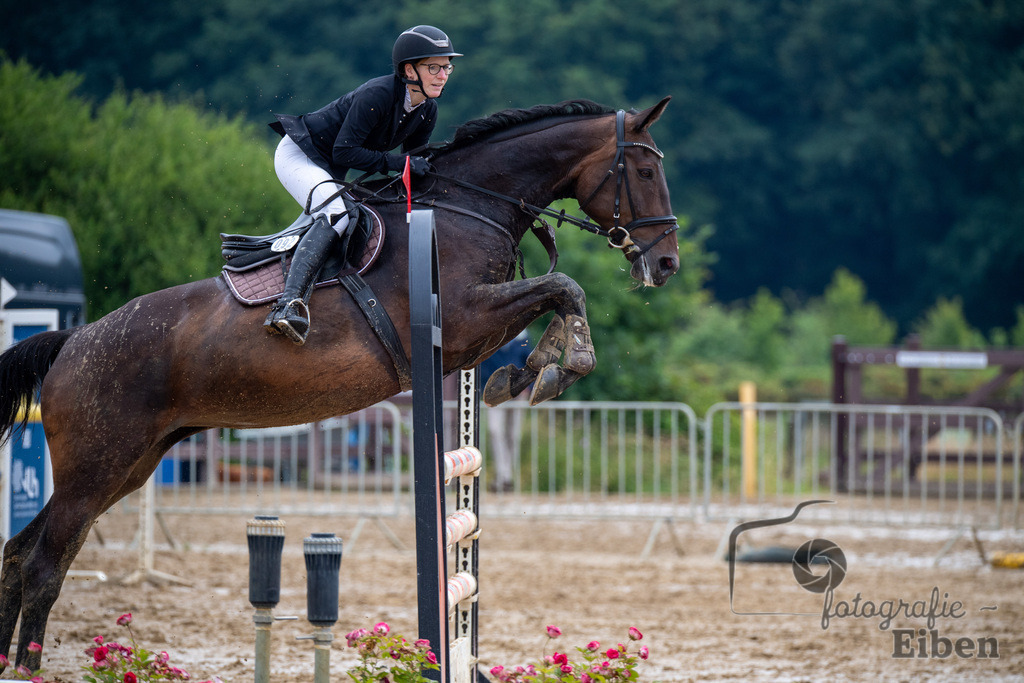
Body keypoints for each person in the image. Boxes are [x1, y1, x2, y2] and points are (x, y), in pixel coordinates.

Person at [264, 25, 462, 344]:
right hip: (300, 155)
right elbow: (346, 151)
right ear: (409, 70)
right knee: (336, 216)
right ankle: (287, 305)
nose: (443, 75)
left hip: (332, 166)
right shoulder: (378, 94)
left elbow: (412, 165)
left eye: (447, 67)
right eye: (434, 67)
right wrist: (402, 164)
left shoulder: (427, 110)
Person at [480, 331, 532, 492]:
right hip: (495, 392)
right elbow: (483, 364)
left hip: (518, 392)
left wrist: (529, 387)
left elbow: (531, 363)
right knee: (495, 431)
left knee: (513, 434)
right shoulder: (492, 335)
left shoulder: (522, 337)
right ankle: (503, 475)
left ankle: (507, 475)